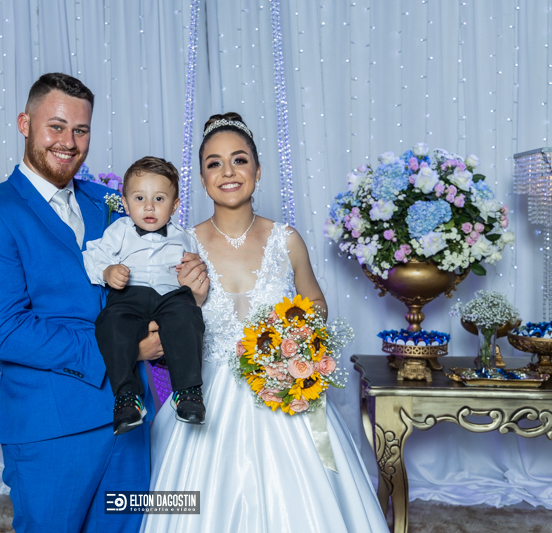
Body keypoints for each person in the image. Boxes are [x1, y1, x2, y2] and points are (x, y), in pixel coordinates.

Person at [0, 73, 208, 533]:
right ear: (24, 124)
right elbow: (6, 331)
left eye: (81, 130)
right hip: (52, 426)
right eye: (56, 126)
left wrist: (190, 288)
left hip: (130, 420)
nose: (69, 142)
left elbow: (153, 268)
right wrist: (128, 349)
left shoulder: (110, 202)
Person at [142, 113, 389, 532]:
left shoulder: (286, 239)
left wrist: (293, 338)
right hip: (208, 392)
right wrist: (189, 304)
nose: (228, 171)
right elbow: (159, 329)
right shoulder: (182, 245)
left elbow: (316, 302)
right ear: (202, 180)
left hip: (282, 388)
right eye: (214, 163)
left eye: (239, 160)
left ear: (257, 171)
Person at [83, 156, 206, 436]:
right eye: (139, 198)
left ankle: (187, 391)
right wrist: (108, 271)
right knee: (111, 323)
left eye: (159, 199)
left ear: (174, 205)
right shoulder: (119, 231)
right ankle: (127, 398)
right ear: (125, 204)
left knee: (188, 316)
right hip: (129, 295)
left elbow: (196, 268)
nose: (149, 206)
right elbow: (94, 256)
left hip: (170, 296)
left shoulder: (185, 237)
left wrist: (193, 271)